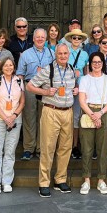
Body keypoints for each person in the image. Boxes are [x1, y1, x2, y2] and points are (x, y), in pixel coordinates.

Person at [27, 43, 78, 198]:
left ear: (69, 54)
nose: (63, 56)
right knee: (48, 148)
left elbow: (70, 89)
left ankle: (60, 179)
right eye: (60, 53)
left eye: (65, 53)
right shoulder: (47, 70)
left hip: (67, 112)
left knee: (65, 148)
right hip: (51, 111)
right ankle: (44, 182)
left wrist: (75, 90)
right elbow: (30, 86)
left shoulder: (71, 70)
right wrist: (45, 91)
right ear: (56, 54)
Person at [78, 52, 107, 195]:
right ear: (90, 64)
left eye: (99, 62)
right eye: (94, 62)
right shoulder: (85, 79)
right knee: (87, 149)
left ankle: (101, 180)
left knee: (102, 148)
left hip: (104, 112)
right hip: (88, 111)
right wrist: (92, 114)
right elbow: (82, 100)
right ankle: (86, 179)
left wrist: (99, 114)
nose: (97, 65)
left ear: (103, 64)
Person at [0, 58, 25, 194]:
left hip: (15, 119)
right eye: (6, 65)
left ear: (14, 67)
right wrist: (5, 118)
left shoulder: (19, 81)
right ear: (1, 67)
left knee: (10, 151)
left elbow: (22, 102)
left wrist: (13, 116)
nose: (8, 67)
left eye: (11, 65)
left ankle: (7, 180)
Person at [17, 28, 53, 161]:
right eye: (37, 37)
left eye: (42, 37)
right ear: (33, 39)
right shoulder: (25, 54)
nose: (40, 39)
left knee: (43, 119)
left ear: (46, 39)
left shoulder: (51, 53)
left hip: (46, 89)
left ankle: (41, 148)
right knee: (29, 118)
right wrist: (20, 91)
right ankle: (28, 148)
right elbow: (20, 73)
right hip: (30, 87)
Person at [65, 28, 89, 159]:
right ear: (71, 39)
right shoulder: (66, 52)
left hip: (80, 87)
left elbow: (86, 72)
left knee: (76, 118)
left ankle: (75, 145)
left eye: (79, 38)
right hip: (67, 87)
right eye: (74, 38)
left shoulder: (84, 54)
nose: (76, 40)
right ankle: (65, 145)